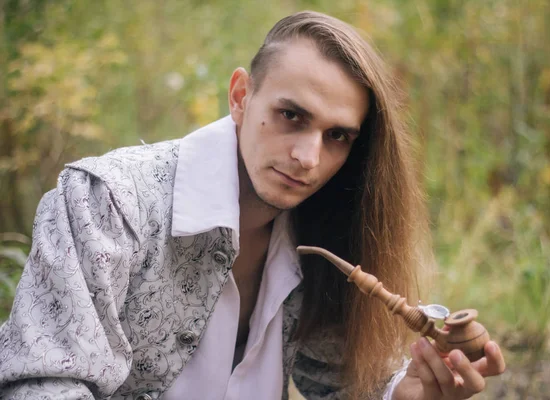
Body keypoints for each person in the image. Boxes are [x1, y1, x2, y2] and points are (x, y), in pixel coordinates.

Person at [0, 10, 505, 400]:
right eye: (290, 115)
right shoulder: (108, 203)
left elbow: (337, 383)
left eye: (337, 136)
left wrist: (404, 392)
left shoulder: (325, 229)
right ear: (241, 96)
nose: (309, 158)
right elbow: (42, 386)